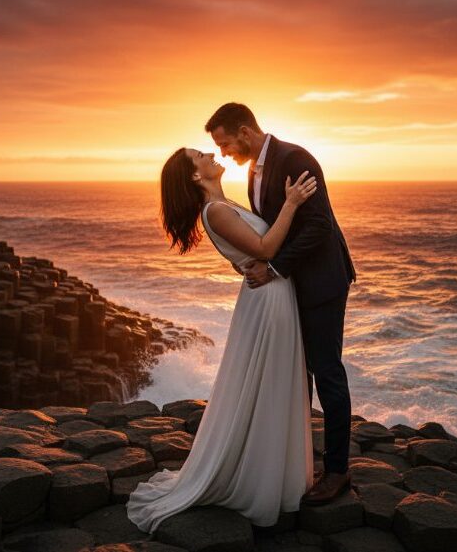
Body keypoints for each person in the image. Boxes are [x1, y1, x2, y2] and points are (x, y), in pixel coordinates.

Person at [126, 146, 318, 532]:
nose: (211, 153)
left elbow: (244, 256)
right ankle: (259, 478)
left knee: (270, 384)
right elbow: (265, 248)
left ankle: (269, 470)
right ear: (196, 176)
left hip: (268, 294)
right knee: (270, 384)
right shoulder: (214, 211)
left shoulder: (222, 205)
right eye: (200, 155)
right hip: (268, 300)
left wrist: (247, 259)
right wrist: (293, 203)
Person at [206, 103, 356, 505]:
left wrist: (272, 266)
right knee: (296, 376)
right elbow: (272, 228)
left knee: (326, 373)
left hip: (321, 282)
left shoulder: (295, 158)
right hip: (291, 285)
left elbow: (319, 226)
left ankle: (338, 471)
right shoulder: (253, 170)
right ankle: (297, 462)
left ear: (244, 130)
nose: (222, 153)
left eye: (224, 143)